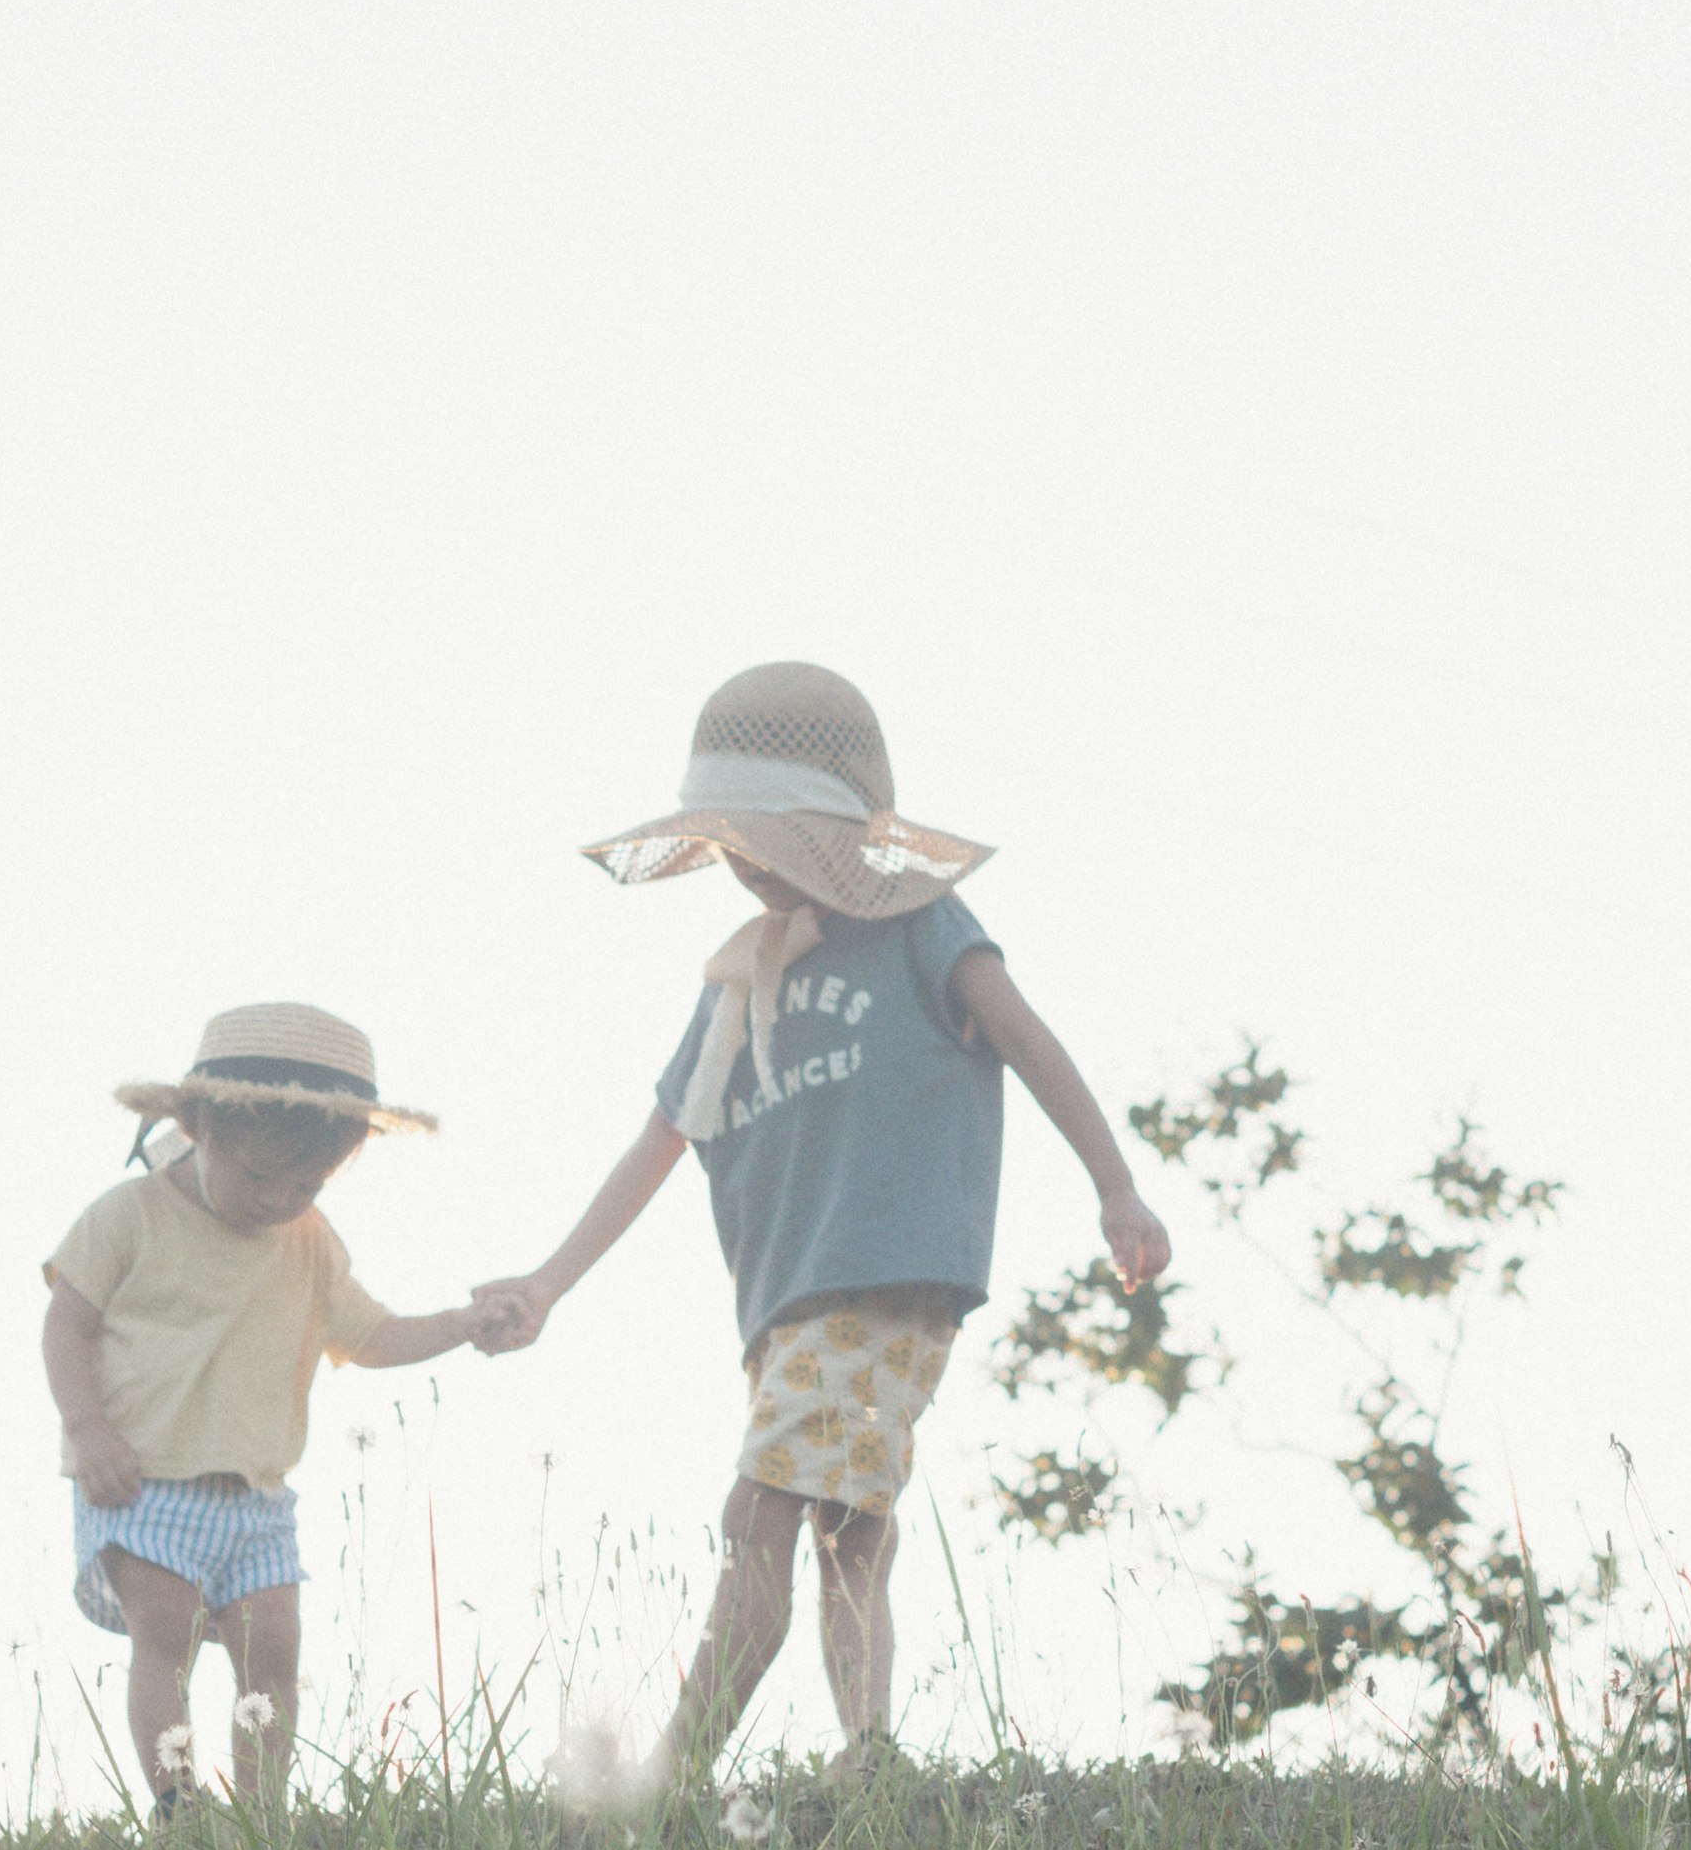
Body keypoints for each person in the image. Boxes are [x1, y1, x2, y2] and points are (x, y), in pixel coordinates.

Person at [473, 664, 1171, 1770]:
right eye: (734, 844)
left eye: (761, 840)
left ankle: (674, 1775)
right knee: (849, 1532)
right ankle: (869, 1747)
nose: (746, 867)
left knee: (758, 1518)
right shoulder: (739, 977)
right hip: (786, 1300)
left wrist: (1113, 1182)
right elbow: (661, 1139)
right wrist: (550, 1282)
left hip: (881, 1271)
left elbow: (1024, 1036)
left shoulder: (921, 928)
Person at [44, 1001, 487, 1814]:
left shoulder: (309, 1239)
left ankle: (260, 1818)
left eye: (307, 1183)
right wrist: (87, 1428)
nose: (278, 1199)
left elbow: (375, 1334)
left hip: (256, 1494)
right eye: (256, 1173)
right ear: (198, 1125)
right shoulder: (129, 1216)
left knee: (274, 1648)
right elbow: (67, 1325)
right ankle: (178, 1802)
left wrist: (464, 1324)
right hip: (142, 1476)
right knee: (166, 1634)